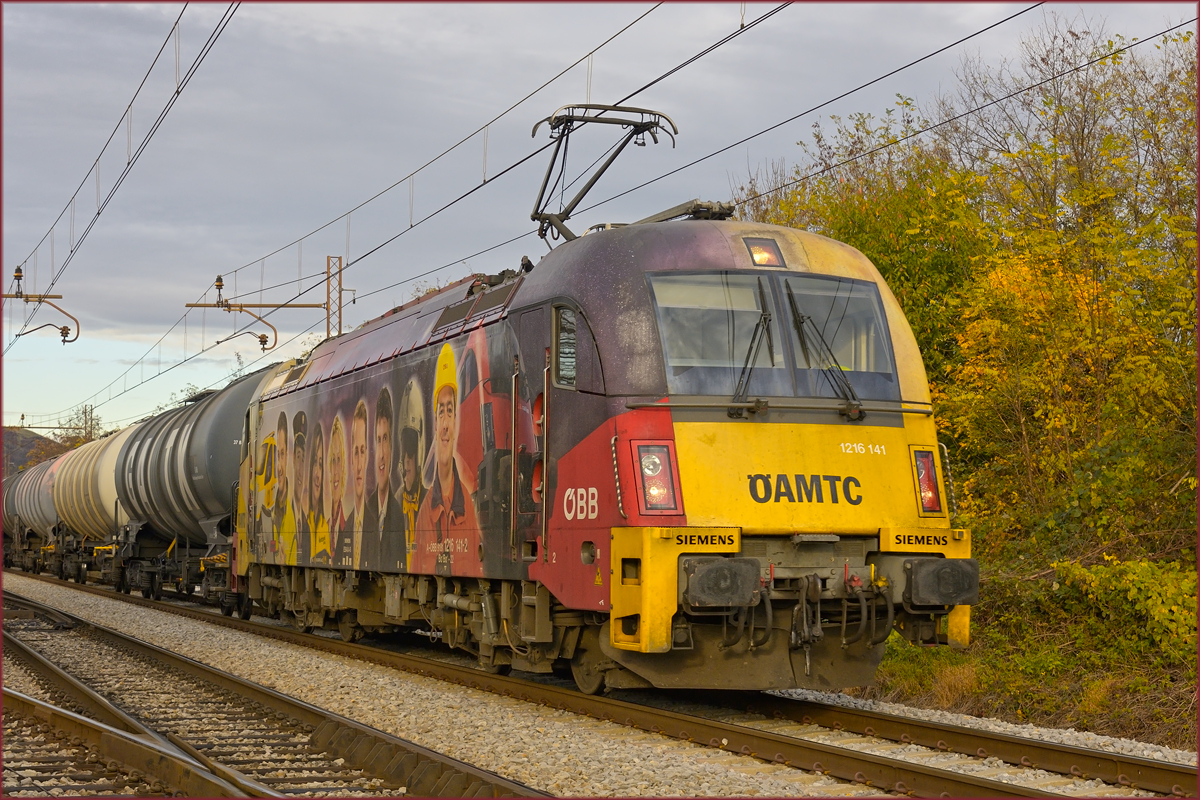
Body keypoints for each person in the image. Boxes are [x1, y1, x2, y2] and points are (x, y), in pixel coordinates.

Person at [416, 343, 479, 576]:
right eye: (440, 411)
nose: (444, 424)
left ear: (456, 423)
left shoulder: (468, 510)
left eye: (450, 411)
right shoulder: (425, 512)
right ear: (435, 423)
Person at [361, 386, 404, 571]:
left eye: (385, 439)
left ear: (392, 447)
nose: (381, 455)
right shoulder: (365, 512)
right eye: (378, 440)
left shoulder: (399, 517)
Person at [397, 379, 426, 572]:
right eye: (404, 453)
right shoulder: (395, 504)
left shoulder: (429, 502)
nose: (408, 462)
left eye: (411, 452)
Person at [327, 415, 354, 568]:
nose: (336, 471)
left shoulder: (350, 525)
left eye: (339, 460)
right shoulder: (323, 526)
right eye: (333, 460)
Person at [272, 411, 295, 564]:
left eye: (282, 454)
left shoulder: (296, 510)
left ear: (288, 455)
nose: (279, 467)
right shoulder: (271, 512)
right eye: (277, 455)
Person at [349, 399, 369, 567]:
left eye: (362, 451)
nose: (360, 464)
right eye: (356, 452)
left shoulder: (377, 524)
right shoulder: (344, 530)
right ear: (351, 459)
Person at [308, 422, 330, 563]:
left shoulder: (326, 528)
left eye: (321, 464)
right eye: (315, 462)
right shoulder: (303, 523)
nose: (317, 473)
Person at [290, 410, 310, 564]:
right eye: (298, 457)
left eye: (304, 459)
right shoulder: (279, 515)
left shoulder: (309, 522)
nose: (300, 467)